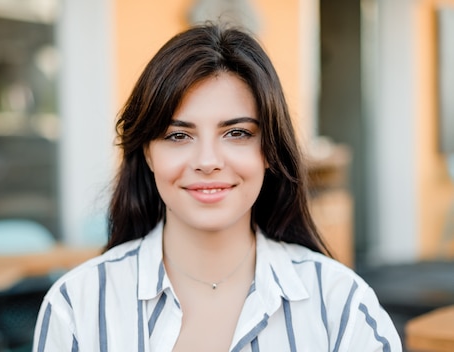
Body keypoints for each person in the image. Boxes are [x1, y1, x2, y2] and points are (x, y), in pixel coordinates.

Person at [33, 23, 402, 351]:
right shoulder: (76, 308)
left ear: (269, 151)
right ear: (147, 153)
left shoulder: (341, 306)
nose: (207, 161)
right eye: (178, 135)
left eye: (237, 133)